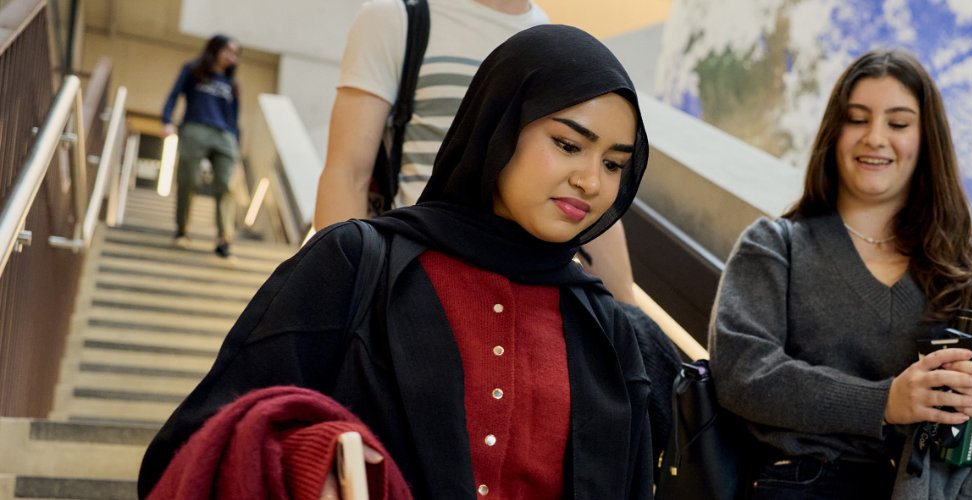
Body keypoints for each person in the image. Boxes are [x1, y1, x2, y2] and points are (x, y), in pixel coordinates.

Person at [139, 26, 673, 499]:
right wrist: (311, 460)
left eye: (613, 163)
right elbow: (207, 440)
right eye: (567, 143)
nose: (592, 181)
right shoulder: (355, 262)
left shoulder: (604, 329)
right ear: (499, 125)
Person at [708, 49, 972, 499]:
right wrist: (884, 402)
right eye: (857, 119)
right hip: (806, 483)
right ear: (833, 133)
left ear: (926, 140)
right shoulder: (775, 246)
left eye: (898, 123)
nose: (875, 138)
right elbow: (743, 372)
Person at [314, 0, 639, 304]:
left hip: (525, 287)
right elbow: (347, 173)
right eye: (565, 144)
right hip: (414, 275)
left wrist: (629, 318)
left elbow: (584, 175)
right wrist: (345, 298)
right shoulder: (399, 17)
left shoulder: (553, 39)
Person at [162, 34, 242, 258]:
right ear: (214, 50)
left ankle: (224, 238)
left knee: (226, 185)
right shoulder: (193, 70)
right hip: (195, 128)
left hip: (225, 135)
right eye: (228, 51)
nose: (232, 57)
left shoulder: (232, 84)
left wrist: (237, 148)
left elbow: (235, 119)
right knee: (189, 180)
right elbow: (173, 95)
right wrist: (166, 120)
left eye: (235, 54)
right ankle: (182, 230)